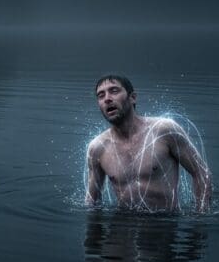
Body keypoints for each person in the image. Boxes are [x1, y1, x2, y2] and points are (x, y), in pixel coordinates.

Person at [85, 75, 211, 213]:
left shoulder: (164, 130)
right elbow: (92, 201)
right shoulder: (98, 148)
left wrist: (200, 216)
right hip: (121, 223)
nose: (107, 99)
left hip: (164, 222)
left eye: (114, 91)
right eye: (101, 95)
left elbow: (201, 173)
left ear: (133, 97)